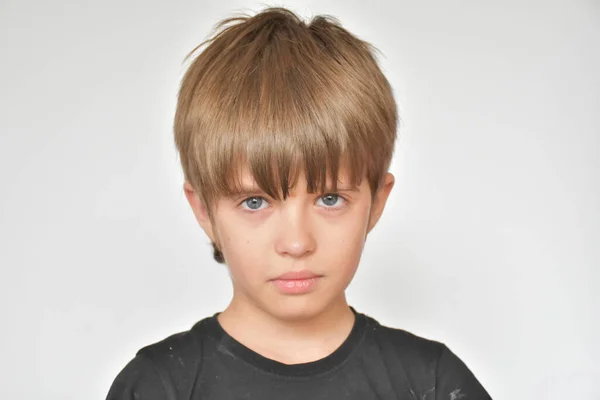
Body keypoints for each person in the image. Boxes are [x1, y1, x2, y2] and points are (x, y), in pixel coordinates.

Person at [106, 6, 492, 400]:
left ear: (376, 202)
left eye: (329, 198)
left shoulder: (434, 382)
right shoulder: (158, 387)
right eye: (255, 202)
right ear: (203, 209)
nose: (296, 243)